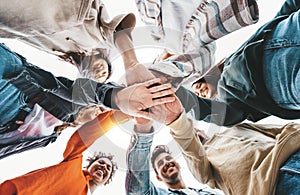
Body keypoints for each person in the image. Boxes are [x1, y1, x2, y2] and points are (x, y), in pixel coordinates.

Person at [131, 0, 300, 126]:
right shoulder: (229, 101)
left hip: (285, 32)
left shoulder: (232, 64)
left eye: (198, 84)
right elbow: (215, 113)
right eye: (196, 92)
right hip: (282, 82)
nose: (198, 90)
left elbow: (280, 16)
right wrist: (175, 96)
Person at [146, 90, 300, 195]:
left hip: (293, 154)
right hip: (277, 182)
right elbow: (191, 149)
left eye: (195, 131)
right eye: (191, 135)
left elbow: (280, 130)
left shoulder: (236, 128)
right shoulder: (204, 165)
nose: (194, 135)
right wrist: (178, 121)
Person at [0, 0, 137, 82]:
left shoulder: (62, 54)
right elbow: (119, 30)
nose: (100, 73)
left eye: (97, 77)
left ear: (85, 73)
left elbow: (29, 38)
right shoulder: (101, 38)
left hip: (15, 15)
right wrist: (132, 64)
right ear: (108, 63)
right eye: (105, 73)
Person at [0, 110, 125, 194]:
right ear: (89, 166)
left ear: (107, 180)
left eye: (108, 168)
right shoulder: (74, 164)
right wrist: (116, 116)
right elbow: (85, 136)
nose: (103, 166)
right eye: (101, 162)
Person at [125, 121, 222, 195]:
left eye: (168, 158)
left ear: (178, 164)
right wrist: (143, 129)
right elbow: (137, 187)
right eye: (160, 163)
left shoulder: (208, 192)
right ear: (158, 177)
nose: (166, 163)